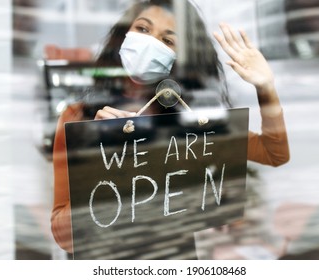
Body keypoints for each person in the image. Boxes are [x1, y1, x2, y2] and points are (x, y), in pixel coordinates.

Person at [51, 0, 289, 254]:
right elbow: (65, 238)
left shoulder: (191, 124)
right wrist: (103, 157)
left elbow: (273, 153)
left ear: (181, 57)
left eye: (168, 41)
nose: (150, 43)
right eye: (143, 29)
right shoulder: (77, 118)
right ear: (123, 36)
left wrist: (266, 88)